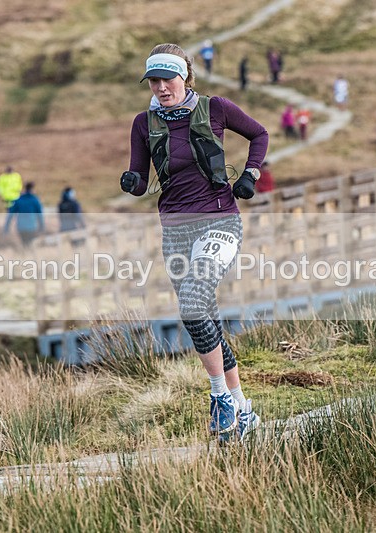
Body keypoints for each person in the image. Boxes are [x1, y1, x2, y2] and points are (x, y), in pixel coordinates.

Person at [121, 43, 268, 441]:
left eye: (167, 79)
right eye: (153, 81)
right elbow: (138, 176)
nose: (161, 88)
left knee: (191, 305)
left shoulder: (215, 107)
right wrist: (132, 182)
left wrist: (250, 175)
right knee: (206, 317)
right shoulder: (143, 122)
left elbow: (259, 134)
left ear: (184, 76)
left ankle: (219, 398)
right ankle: (243, 410)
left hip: (219, 221)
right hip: (175, 229)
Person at [3, 181, 44, 247]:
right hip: (32, 226)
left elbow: (10, 214)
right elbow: (40, 215)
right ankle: (28, 255)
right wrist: (42, 227)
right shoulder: (35, 200)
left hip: (21, 227)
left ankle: (24, 254)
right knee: (30, 244)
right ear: (32, 189)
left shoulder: (19, 200)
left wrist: (6, 228)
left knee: (24, 244)